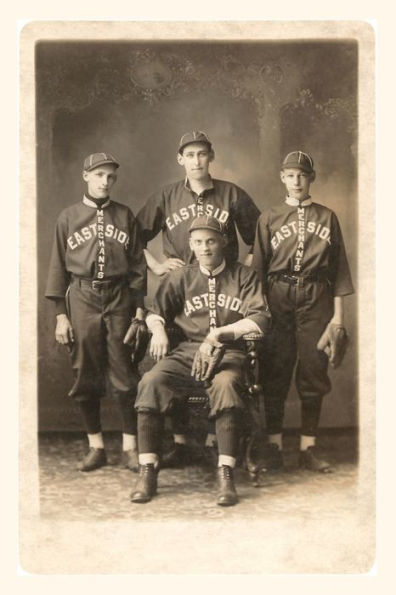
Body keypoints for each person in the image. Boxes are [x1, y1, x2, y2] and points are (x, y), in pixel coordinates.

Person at [136, 131, 261, 466]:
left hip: (226, 288)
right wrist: (158, 265)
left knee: (220, 371)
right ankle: (179, 443)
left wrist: (243, 268)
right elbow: (133, 236)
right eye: (189, 155)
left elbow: (260, 238)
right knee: (176, 366)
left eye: (202, 154)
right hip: (180, 295)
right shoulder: (166, 195)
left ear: (211, 156)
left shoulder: (232, 194)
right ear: (180, 159)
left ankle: (215, 444)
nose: (196, 161)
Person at [130, 215, 271, 506]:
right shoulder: (181, 276)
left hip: (230, 351)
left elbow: (260, 320)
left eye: (210, 241)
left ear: (223, 242)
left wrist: (220, 334)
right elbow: (156, 311)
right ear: (191, 245)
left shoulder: (244, 275)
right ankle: (147, 470)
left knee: (227, 383)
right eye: (198, 242)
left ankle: (226, 471)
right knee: (151, 381)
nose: (205, 248)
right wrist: (157, 330)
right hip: (187, 352)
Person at [252, 150, 354, 472]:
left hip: (317, 298)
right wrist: (259, 313)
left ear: (312, 178)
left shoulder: (328, 217)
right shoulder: (268, 217)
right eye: (290, 174)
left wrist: (338, 318)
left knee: (313, 371)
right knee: (275, 372)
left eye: (303, 174)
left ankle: (308, 448)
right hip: (278, 297)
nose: (296, 180)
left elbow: (339, 272)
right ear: (282, 177)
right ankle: (274, 446)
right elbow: (257, 272)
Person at [45, 152, 147, 472]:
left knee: (125, 375)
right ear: (86, 176)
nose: (105, 181)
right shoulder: (69, 217)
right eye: (99, 175)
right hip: (83, 296)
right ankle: (96, 445)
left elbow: (138, 269)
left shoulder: (125, 215)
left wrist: (140, 312)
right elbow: (57, 269)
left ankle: (130, 446)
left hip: (119, 298)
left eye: (111, 176)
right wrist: (61, 314)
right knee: (85, 373)